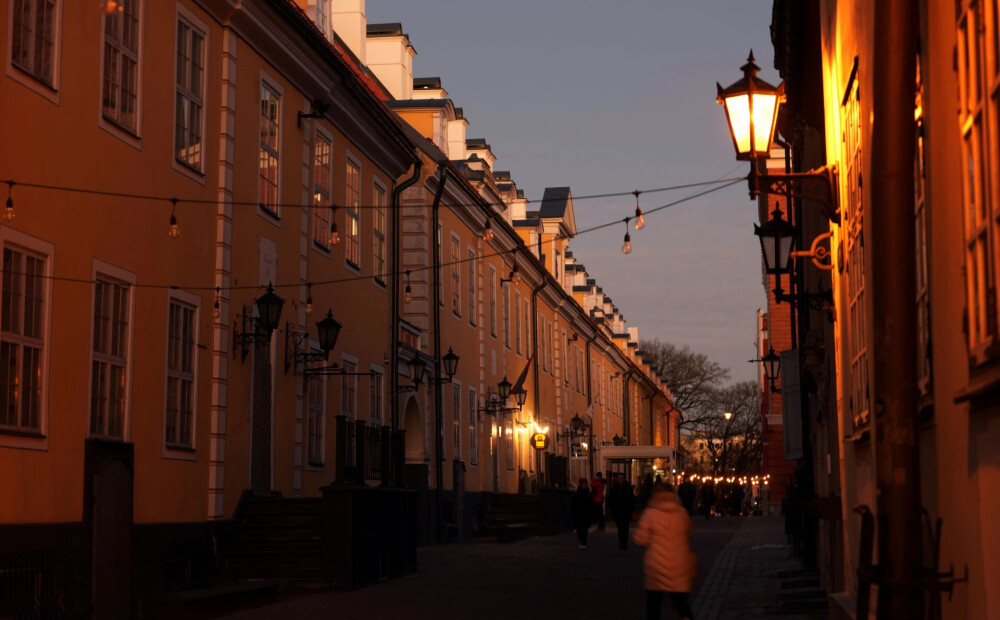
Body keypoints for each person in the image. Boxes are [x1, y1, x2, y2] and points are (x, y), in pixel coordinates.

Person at [633, 482, 697, 620]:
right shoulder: (682, 512)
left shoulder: (650, 513)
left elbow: (640, 539)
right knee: (681, 603)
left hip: (656, 566)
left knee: (654, 606)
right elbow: (688, 533)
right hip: (679, 565)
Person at [607, 472, 635, 550]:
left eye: (621, 478)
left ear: (624, 479)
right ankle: (621, 543)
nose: (619, 480)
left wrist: (630, 510)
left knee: (625, 528)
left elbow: (631, 499)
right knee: (620, 528)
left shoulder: (627, 488)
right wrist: (612, 510)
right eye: (618, 478)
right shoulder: (614, 488)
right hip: (617, 512)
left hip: (626, 511)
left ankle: (624, 544)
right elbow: (610, 499)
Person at [571, 478, 591, 549]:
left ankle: (583, 543)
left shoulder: (588, 493)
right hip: (578, 514)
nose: (584, 486)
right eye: (583, 484)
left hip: (585, 514)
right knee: (579, 530)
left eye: (585, 484)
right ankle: (581, 542)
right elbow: (573, 504)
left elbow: (590, 504)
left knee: (584, 530)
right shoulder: (577, 493)